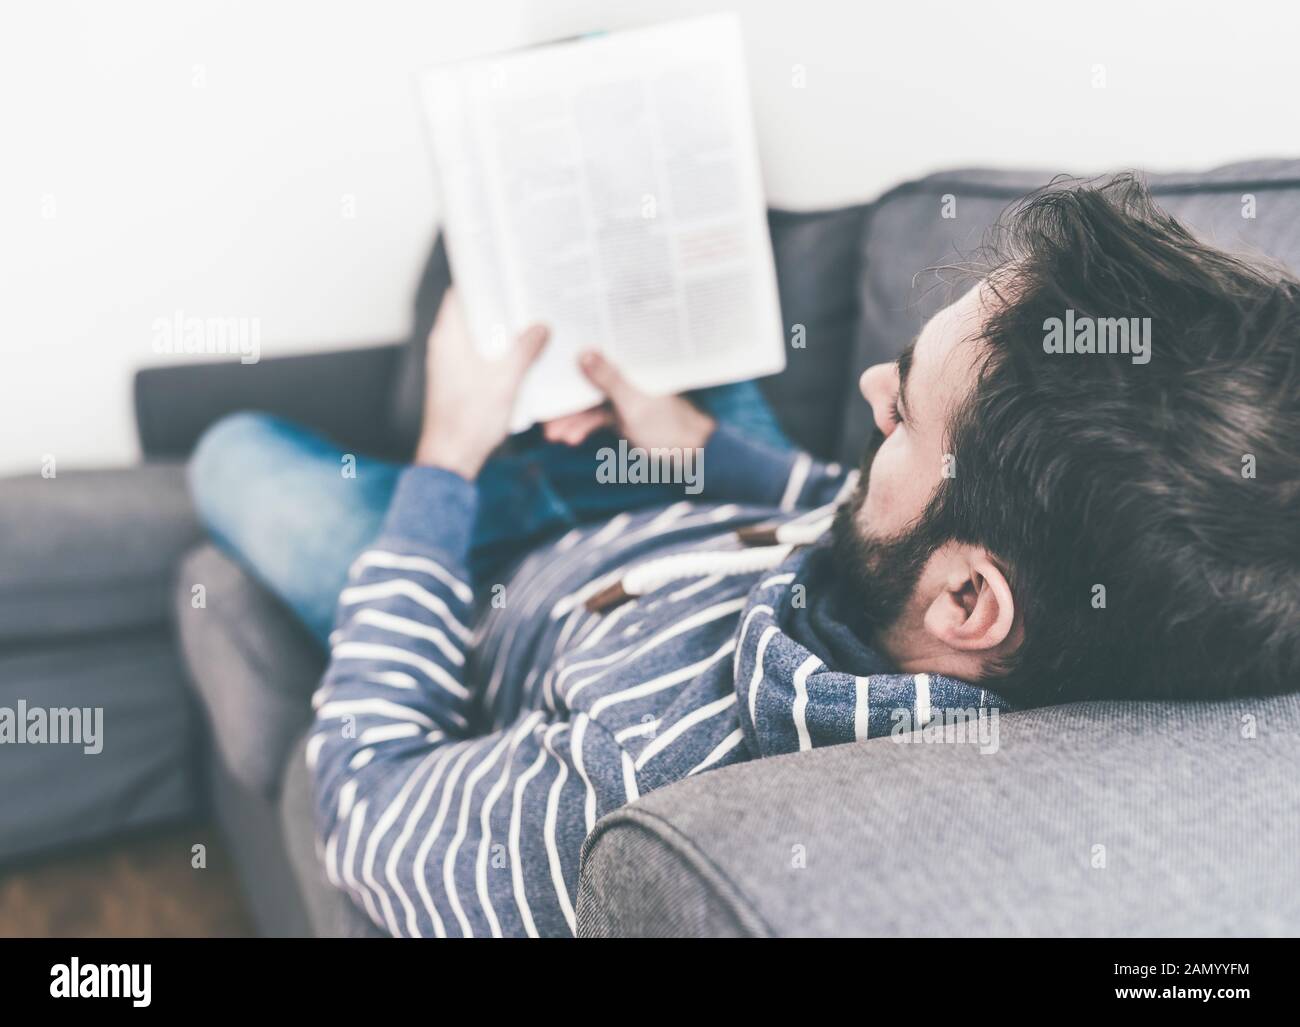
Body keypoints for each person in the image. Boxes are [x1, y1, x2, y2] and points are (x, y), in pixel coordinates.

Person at [189, 176, 1299, 937]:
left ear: (968, 600)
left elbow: (367, 804)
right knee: (638, 230)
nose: (869, 390)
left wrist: (445, 457)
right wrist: (707, 449)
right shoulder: (992, 619)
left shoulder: (624, 794)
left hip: (484, 563)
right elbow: (851, 518)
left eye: (904, 410)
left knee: (230, 449)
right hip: (692, 502)